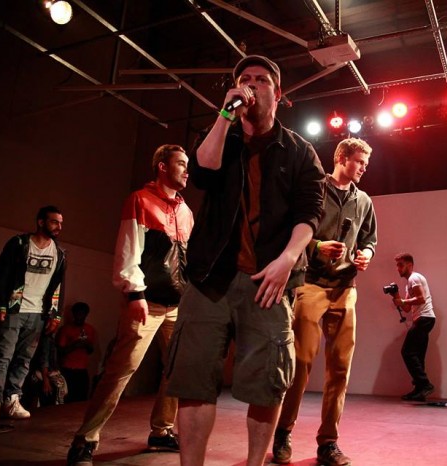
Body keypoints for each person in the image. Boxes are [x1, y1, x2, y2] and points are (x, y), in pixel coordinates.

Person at [165, 55, 325, 466]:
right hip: (210, 278)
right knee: (194, 382)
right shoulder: (219, 135)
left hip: (267, 279)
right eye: (244, 79)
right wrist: (225, 115)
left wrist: (288, 259)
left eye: (262, 80)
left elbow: (310, 214)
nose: (252, 85)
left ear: (278, 93)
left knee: (267, 383)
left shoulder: (300, 151)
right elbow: (203, 173)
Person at [66, 144, 194, 466]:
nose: (187, 170)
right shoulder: (139, 200)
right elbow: (128, 251)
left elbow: (186, 261)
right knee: (122, 369)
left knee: (177, 369)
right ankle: (85, 439)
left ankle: (161, 431)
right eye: (181, 163)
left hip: (177, 306)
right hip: (146, 303)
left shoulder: (186, 212)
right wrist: (135, 295)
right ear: (162, 166)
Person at [272, 138, 377, 466]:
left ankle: (328, 443)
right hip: (311, 284)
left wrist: (366, 254)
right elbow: (290, 231)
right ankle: (283, 432)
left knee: (340, 369)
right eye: (359, 161)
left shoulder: (364, 201)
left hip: (346, 289)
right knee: (301, 362)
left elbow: (370, 239)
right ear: (341, 157)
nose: (363, 168)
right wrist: (316, 246)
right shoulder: (314, 189)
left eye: (366, 164)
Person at [0, 205, 66, 422]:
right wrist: (0, 305)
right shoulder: (19, 243)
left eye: (60, 223)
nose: (58, 227)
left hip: (38, 313)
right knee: (3, 356)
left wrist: (56, 314)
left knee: (24, 359)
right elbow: (1, 274)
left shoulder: (59, 253)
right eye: (54, 222)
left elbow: (59, 286)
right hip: (14, 308)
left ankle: (12, 399)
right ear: (41, 222)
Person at [390, 253, 436, 402]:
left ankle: (425, 384)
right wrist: (396, 297)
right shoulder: (409, 283)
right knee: (418, 355)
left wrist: (403, 300)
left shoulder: (414, 278)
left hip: (424, 319)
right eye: (397, 265)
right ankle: (419, 390)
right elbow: (407, 308)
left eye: (401, 265)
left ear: (410, 265)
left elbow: (421, 299)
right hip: (425, 319)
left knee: (407, 352)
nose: (398, 268)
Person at [57, 301, 96, 403]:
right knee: (67, 399)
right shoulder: (66, 329)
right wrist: (75, 345)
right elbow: (60, 351)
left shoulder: (90, 329)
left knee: (82, 399)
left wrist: (86, 344)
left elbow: (91, 351)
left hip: (82, 370)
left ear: (86, 315)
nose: (79, 317)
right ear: (73, 314)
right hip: (68, 369)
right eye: (77, 314)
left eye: (82, 314)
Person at [24, 324, 68, 409]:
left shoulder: (49, 337)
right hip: (43, 375)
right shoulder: (46, 339)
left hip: (45, 374)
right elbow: (44, 360)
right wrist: (46, 380)